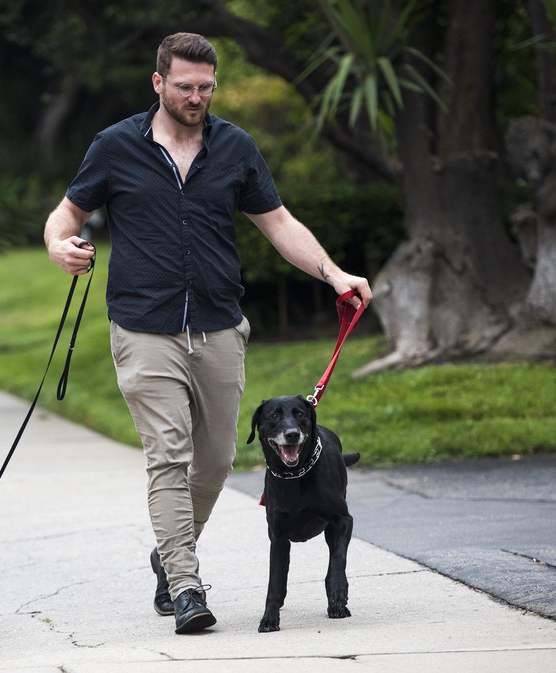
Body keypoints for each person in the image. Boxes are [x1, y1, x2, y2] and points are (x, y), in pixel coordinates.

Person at [43, 33, 372, 634]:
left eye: (205, 87)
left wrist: (334, 274)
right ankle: (186, 585)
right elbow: (67, 213)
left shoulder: (235, 147)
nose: (196, 97)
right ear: (158, 83)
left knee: (217, 459)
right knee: (168, 455)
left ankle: (168, 550)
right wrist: (59, 244)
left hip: (220, 324)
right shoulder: (116, 146)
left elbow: (278, 223)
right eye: (184, 86)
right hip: (144, 325)